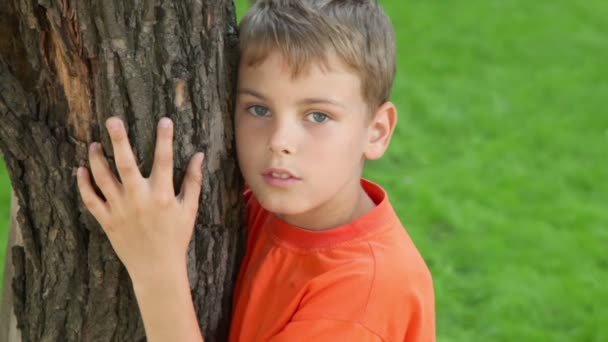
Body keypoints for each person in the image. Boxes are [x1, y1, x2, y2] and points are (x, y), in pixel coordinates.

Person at [76, 0, 436, 341]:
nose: (280, 141)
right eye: (259, 109)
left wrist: (156, 266)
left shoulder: (362, 300)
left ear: (376, 131)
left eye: (318, 116)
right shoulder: (257, 206)